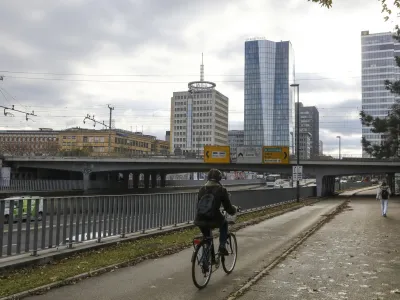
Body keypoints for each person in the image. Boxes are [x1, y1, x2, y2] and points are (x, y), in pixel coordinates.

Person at [194, 169, 238, 256]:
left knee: (207, 238)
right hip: (214, 218)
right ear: (219, 179)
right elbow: (228, 208)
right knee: (224, 223)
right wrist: (234, 210)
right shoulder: (221, 190)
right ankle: (222, 246)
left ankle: (206, 262)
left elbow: (198, 206)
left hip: (200, 218)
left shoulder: (202, 189)